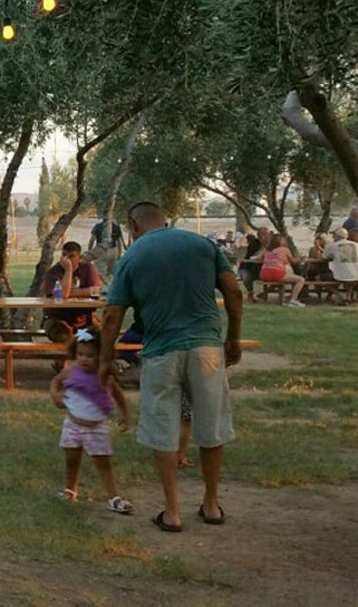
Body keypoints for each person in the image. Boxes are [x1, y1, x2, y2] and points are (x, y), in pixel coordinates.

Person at [98, 201, 244, 533]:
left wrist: (106, 360)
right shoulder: (202, 245)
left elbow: (111, 315)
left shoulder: (131, 257)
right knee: (212, 424)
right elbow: (233, 292)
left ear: (133, 226)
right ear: (164, 221)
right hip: (207, 348)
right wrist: (233, 338)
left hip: (162, 351)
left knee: (162, 427)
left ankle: (172, 512)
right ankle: (211, 505)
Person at [49, 329, 133, 514]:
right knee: (71, 460)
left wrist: (125, 415)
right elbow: (55, 382)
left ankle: (114, 497)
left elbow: (118, 395)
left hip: (96, 428)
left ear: (102, 355)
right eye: (80, 354)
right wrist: (56, 396)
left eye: (90, 355)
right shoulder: (71, 370)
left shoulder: (104, 375)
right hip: (72, 426)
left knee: (103, 463)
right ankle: (71, 490)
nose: (84, 359)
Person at [41, 241, 102, 337]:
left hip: (83, 318)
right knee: (62, 335)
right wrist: (68, 269)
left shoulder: (88, 268)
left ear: (79, 257)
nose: (67, 259)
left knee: (99, 334)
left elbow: (95, 290)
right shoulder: (53, 272)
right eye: (64, 255)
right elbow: (63, 294)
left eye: (71, 256)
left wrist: (72, 293)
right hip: (58, 318)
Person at [258, 233, 306, 306]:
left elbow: (258, 257)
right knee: (300, 279)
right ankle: (293, 300)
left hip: (263, 274)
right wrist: (300, 258)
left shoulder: (267, 250)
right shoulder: (284, 249)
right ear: (280, 241)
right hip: (276, 273)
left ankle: (282, 299)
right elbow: (294, 261)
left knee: (284, 279)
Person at [236, 226, 271, 303]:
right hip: (247, 267)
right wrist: (263, 247)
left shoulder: (273, 245)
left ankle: (265, 293)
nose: (267, 236)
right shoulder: (254, 244)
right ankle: (250, 293)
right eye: (264, 234)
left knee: (277, 275)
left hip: (263, 268)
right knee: (247, 277)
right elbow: (253, 257)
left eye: (268, 234)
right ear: (259, 236)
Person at [323, 228, 358, 303]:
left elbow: (324, 257)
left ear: (338, 236)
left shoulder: (332, 245)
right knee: (351, 278)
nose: (333, 237)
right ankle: (348, 296)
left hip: (339, 275)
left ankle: (340, 295)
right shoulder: (355, 245)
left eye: (334, 235)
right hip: (355, 274)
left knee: (318, 278)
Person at [88, 216, 126, 283]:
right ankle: (108, 288)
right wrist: (119, 254)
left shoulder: (98, 226)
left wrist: (89, 251)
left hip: (101, 249)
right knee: (110, 272)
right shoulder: (116, 227)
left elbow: (92, 240)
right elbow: (119, 242)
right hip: (114, 250)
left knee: (99, 271)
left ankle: (109, 286)